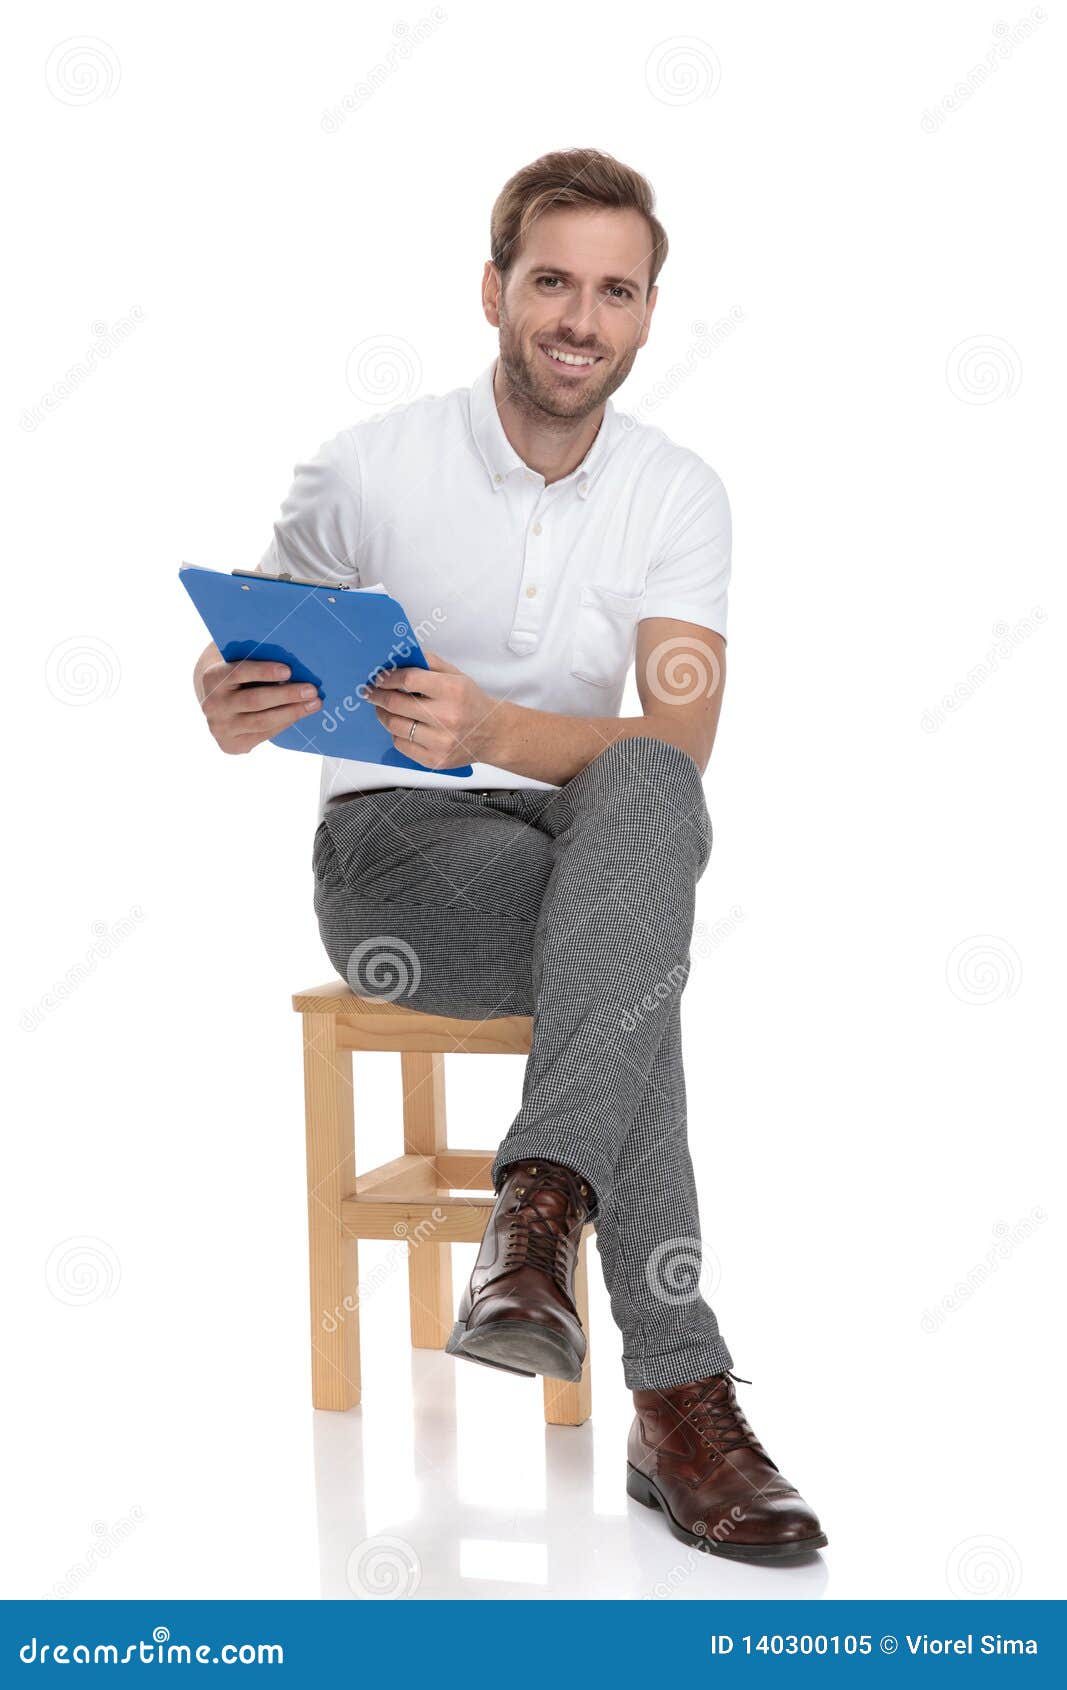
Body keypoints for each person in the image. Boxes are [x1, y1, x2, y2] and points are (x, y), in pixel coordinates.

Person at [193, 148, 826, 1562]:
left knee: (651, 796)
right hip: (398, 862)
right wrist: (223, 698)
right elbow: (256, 664)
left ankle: (536, 1222)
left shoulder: (681, 493)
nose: (579, 319)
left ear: (651, 316)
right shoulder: (364, 466)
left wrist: (492, 722)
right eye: (552, 281)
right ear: (494, 291)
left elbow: (681, 739)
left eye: (615, 291)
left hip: (596, 839)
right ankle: (678, 1396)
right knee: (629, 953)